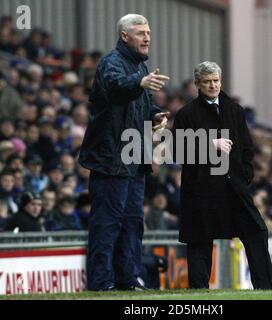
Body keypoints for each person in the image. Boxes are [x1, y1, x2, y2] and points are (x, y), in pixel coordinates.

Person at [78, 14, 170, 291]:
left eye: (149, 32)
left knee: (132, 223)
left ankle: (127, 279)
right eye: (141, 32)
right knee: (107, 224)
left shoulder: (140, 69)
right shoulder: (111, 63)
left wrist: (155, 116)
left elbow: (140, 106)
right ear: (124, 36)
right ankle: (101, 282)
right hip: (110, 160)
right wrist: (138, 84)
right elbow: (117, 87)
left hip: (133, 159)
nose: (147, 37)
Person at [172, 61, 272, 290]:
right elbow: (178, 151)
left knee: (257, 232)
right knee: (199, 242)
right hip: (202, 190)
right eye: (207, 81)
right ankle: (198, 294)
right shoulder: (186, 115)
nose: (212, 85)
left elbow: (247, 148)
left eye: (216, 80)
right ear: (198, 84)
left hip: (234, 187)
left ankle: (267, 290)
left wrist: (245, 175)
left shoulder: (234, 110)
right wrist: (210, 145)